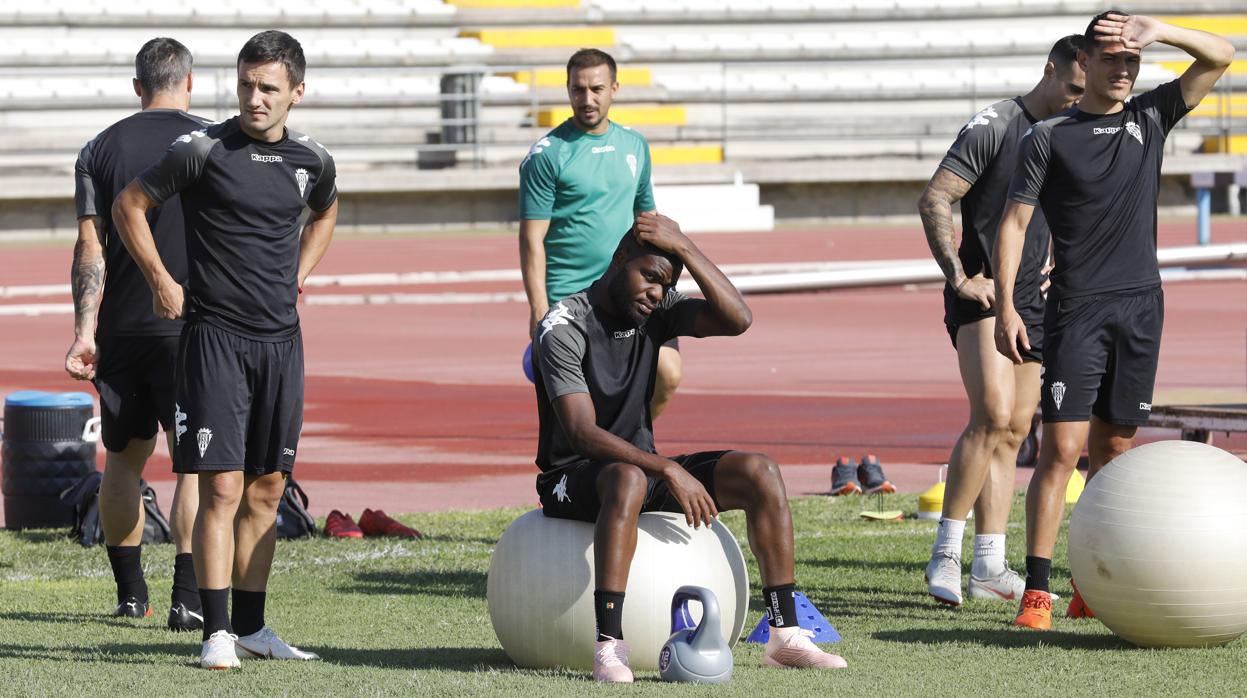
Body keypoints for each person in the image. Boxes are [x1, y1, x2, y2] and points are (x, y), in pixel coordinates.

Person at [532, 211, 847, 682]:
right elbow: (581, 433)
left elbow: (738, 318)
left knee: (759, 471)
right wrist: (666, 468)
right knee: (627, 476)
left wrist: (685, 247)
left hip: (640, 473)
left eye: (667, 282)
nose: (657, 292)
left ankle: (785, 634)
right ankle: (609, 647)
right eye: (650, 277)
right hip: (572, 476)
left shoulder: (657, 311)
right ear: (621, 258)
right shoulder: (564, 324)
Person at [994, 10, 1233, 630]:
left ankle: (1093, 585)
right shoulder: (1046, 137)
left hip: (1142, 307)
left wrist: (1164, 30)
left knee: (1116, 448)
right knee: (1060, 450)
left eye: (1133, 61)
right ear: (1085, 65)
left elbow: (1222, 54)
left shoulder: (1150, 116)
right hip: (1076, 309)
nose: (1125, 71)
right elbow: (1014, 225)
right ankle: (1037, 593)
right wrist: (1006, 305)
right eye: (1113, 61)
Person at [112, 30, 338, 668]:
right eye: (246, 85)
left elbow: (326, 211)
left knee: (268, 489)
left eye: (268, 88)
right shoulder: (203, 149)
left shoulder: (312, 160)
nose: (255, 99)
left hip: (281, 344)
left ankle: (254, 628)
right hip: (215, 340)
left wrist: (299, 273)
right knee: (221, 488)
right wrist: (161, 279)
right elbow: (130, 204)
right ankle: (215, 633)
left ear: (297, 91)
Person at [916, 35, 1086, 607]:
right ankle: (945, 551)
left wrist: (1058, 260)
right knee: (989, 414)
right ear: (1050, 70)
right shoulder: (995, 123)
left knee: (1015, 430)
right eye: (1073, 87)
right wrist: (959, 279)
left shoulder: (1070, 134)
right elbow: (935, 198)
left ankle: (989, 565)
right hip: (983, 295)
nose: (1076, 100)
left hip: (1034, 300)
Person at [66, 37, 211, 631]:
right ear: (190, 82)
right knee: (195, 466)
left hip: (121, 332)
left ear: (137, 86)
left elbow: (88, 249)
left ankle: (131, 596)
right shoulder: (214, 140)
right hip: (193, 327)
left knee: (123, 461)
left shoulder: (99, 148)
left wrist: (84, 331)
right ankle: (187, 597)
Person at [519, 48, 683, 418]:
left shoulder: (635, 145)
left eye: (596, 89)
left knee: (668, 374)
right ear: (568, 90)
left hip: (630, 288)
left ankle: (633, 443)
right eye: (578, 90)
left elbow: (647, 217)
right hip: (575, 297)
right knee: (591, 403)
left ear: (614, 89)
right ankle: (611, 457)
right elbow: (531, 240)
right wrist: (538, 308)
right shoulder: (547, 155)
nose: (587, 99)